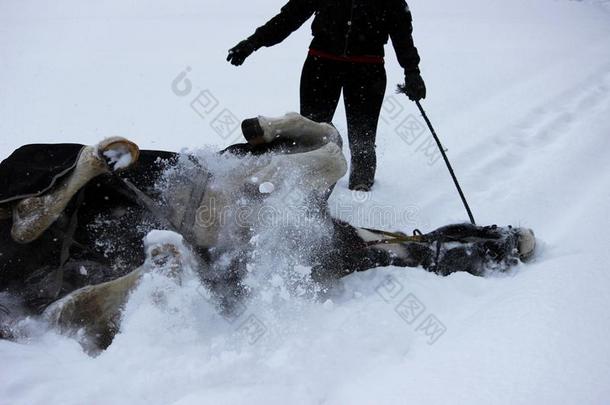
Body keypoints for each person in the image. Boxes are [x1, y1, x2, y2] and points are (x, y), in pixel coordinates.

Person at [227, 0, 426, 191]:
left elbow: (402, 31)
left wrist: (412, 71)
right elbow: (289, 18)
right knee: (311, 133)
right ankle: (307, 186)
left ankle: (361, 190)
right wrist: (252, 43)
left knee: (362, 137)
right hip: (321, 67)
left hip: (367, 70)